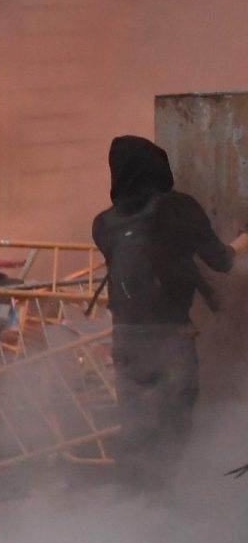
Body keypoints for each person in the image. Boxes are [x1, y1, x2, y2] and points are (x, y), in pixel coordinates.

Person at [90, 135, 248, 488]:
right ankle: (164, 503)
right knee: (174, 425)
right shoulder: (180, 208)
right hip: (171, 339)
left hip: (126, 339)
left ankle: (136, 504)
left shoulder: (102, 223)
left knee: (135, 424)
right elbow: (221, 260)